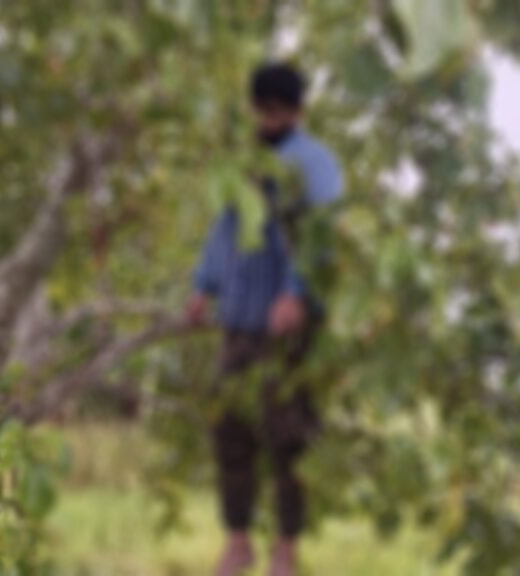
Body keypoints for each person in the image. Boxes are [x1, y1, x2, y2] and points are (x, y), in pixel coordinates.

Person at [186, 62, 343, 576]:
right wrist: (203, 287)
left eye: (279, 111)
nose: (269, 120)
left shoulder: (314, 163)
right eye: (263, 111)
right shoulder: (245, 163)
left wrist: (296, 293)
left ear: (297, 111)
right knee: (230, 431)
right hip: (239, 320)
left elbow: (322, 234)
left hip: (288, 329)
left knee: (287, 438)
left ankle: (286, 551)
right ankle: (238, 542)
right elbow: (223, 230)